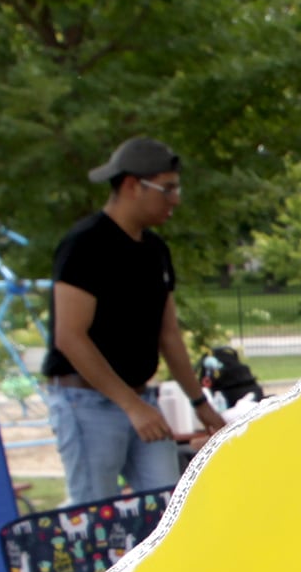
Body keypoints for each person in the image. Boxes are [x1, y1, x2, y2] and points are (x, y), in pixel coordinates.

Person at [43, 136, 223, 506]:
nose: (176, 199)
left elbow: (168, 334)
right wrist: (130, 404)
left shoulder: (156, 251)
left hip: (142, 400)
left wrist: (199, 403)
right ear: (131, 186)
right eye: (167, 189)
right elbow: (70, 337)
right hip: (87, 403)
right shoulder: (84, 245)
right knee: (96, 520)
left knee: (169, 512)